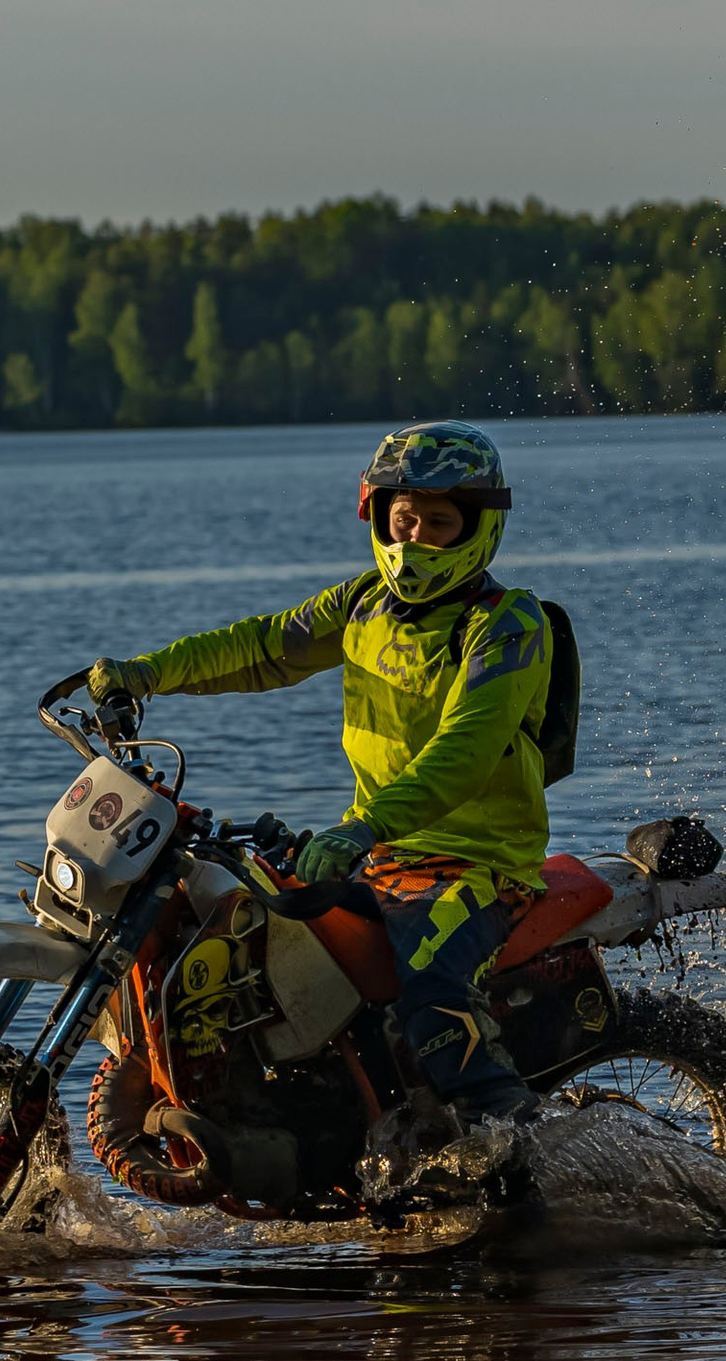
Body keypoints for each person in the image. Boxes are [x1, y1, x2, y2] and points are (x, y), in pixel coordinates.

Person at [77, 420, 552, 1137]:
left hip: (476, 867)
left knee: (431, 990)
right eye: (403, 519)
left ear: (478, 529)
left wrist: (364, 826)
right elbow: (261, 649)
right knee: (256, 946)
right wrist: (149, 673)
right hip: (383, 856)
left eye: (438, 523)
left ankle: (524, 1158)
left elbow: (468, 748)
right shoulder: (364, 605)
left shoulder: (506, 624)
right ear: (379, 515)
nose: (414, 537)